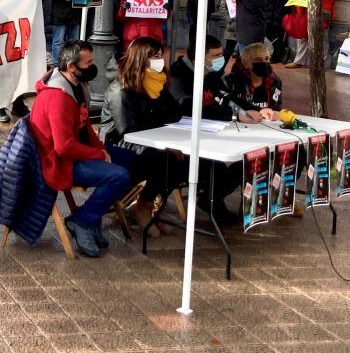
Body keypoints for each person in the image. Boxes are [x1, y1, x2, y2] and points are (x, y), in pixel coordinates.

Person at [27, 40, 131, 257]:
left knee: (133, 160)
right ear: (71, 67)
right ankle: (82, 221)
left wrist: (102, 150)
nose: (93, 66)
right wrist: (99, 154)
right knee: (118, 176)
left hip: (74, 154)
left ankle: (93, 216)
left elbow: (85, 128)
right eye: (88, 62)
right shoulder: (58, 96)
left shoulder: (76, 85)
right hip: (58, 163)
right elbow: (64, 147)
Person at [101, 36, 184, 235]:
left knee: (183, 159)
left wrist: (160, 93)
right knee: (164, 158)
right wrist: (161, 144)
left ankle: (145, 204)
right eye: (154, 56)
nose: (160, 61)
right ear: (141, 59)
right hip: (118, 145)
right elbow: (127, 130)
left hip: (147, 138)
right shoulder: (120, 90)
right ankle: (143, 205)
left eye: (160, 55)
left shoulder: (155, 82)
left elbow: (174, 114)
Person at [167, 36, 245, 222]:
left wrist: (251, 111)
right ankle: (211, 200)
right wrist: (232, 115)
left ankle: (212, 199)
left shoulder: (209, 73)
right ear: (200, 56)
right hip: (182, 141)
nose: (221, 59)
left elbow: (228, 97)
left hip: (209, 135)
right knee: (216, 167)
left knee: (244, 163)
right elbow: (188, 108)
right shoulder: (178, 75)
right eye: (216, 55)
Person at [291, 0, 339, 68]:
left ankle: (320, 63)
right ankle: (300, 61)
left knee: (321, 38)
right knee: (302, 36)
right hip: (306, 9)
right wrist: (299, 9)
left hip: (322, 10)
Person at [223, 42, 283, 118]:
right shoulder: (230, 81)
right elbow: (224, 107)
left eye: (267, 59)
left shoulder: (275, 81)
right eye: (258, 60)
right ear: (246, 64)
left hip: (265, 124)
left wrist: (272, 114)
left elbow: (276, 108)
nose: (264, 63)